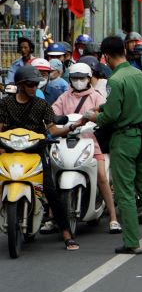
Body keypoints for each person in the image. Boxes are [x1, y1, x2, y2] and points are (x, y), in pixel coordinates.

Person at [82, 36, 142, 254]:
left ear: (107, 57)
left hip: (124, 139)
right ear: (125, 52)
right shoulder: (139, 75)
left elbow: (111, 115)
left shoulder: (115, 80)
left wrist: (92, 116)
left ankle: (131, 242)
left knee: (125, 192)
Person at [0, 65, 79, 249]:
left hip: (35, 153)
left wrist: (72, 127)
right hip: (9, 153)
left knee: (51, 192)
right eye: (30, 84)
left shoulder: (42, 104)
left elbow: (53, 130)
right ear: (20, 85)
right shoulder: (5, 104)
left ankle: (67, 233)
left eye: (36, 84)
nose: (34, 87)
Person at [52, 62, 120, 234]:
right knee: (52, 176)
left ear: (89, 79)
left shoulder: (96, 96)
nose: (78, 81)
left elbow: (104, 115)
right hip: (65, 142)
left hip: (91, 142)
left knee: (102, 177)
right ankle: (52, 217)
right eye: (75, 78)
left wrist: (95, 120)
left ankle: (113, 217)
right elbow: (53, 114)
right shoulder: (64, 97)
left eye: (82, 78)